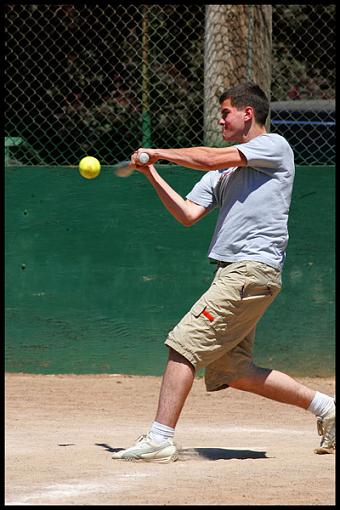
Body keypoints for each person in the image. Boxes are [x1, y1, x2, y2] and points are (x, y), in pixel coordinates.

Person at [112, 83, 335, 463]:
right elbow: (187, 214)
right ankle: (327, 408)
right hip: (234, 273)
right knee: (233, 370)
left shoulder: (274, 146)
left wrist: (160, 152)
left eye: (226, 112)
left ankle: (160, 438)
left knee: (182, 344)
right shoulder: (225, 171)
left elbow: (208, 158)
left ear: (248, 113)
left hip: (250, 269)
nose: (220, 118)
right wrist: (151, 171)